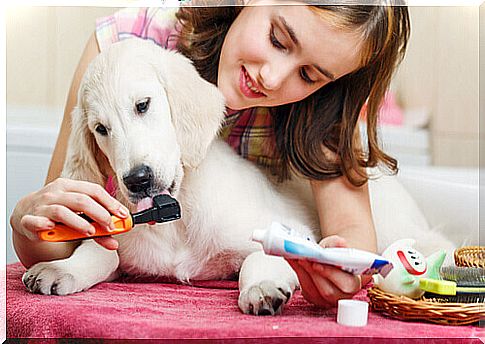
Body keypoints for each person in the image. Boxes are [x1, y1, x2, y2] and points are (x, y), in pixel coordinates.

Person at [10, 0, 410, 309]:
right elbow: (62, 232)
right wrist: (24, 221)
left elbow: (354, 237)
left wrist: (340, 272)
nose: (270, 77)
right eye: (277, 38)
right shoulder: (128, 46)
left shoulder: (320, 110)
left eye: (309, 74)